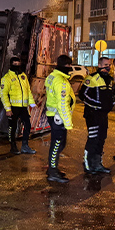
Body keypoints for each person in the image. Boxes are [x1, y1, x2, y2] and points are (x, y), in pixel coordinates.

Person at [78, 57, 115, 174]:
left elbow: (112, 95)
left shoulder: (110, 80)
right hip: (92, 114)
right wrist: (97, 105)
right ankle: (88, 164)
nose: (107, 67)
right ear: (99, 65)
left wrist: (111, 104)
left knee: (101, 138)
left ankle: (97, 164)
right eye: (105, 64)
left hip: (104, 115)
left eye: (109, 65)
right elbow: (82, 94)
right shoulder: (92, 78)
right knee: (93, 139)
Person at [44, 54, 76, 183]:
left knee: (58, 144)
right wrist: (68, 124)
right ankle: (52, 172)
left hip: (55, 116)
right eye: (69, 66)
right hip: (58, 117)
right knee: (57, 145)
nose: (70, 68)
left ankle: (53, 168)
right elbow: (62, 104)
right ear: (66, 66)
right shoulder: (60, 81)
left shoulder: (54, 76)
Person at [0, 56, 37, 155]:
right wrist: (8, 109)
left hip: (23, 107)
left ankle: (25, 146)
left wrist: (32, 103)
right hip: (13, 107)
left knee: (27, 126)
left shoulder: (23, 76)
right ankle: (13, 147)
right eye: (15, 64)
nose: (17, 66)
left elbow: (28, 91)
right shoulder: (7, 78)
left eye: (18, 64)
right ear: (11, 65)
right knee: (12, 127)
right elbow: (3, 94)